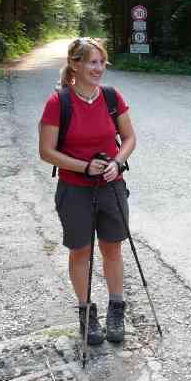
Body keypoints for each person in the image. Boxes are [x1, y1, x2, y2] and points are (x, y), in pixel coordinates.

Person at [39, 37, 136, 345]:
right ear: (75, 65)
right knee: (81, 252)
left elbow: (130, 138)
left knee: (112, 249)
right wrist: (83, 167)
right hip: (74, 189)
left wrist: (117, 164)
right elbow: (46, 151)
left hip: (111, 187)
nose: (99, 68)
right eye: (92, 62)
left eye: (101, 62)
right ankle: (86, 314)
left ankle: (116, 309)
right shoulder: (59, 102)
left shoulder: (111, 97)